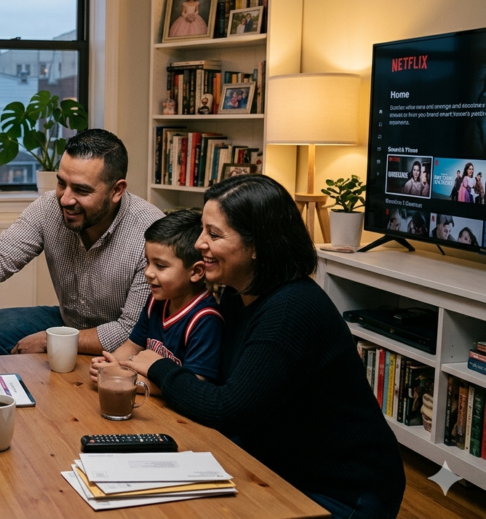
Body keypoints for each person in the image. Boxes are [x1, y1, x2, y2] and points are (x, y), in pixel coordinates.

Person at [121, 174, 405, 519]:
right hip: (274, 465)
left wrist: (157, 366)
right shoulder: (235, 296)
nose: (199, 244)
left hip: (343, 490)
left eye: (214, 234)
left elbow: (225, 409)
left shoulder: (290, 311)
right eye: (202, 231)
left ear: (257, 245)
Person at [0, 129, 165, 356]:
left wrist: (50, 341)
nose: (65, 199)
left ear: (117, 190)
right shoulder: (49, 206)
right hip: (68, 321)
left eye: (81, 190)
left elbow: (130, 331)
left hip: (124, 341)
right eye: (62, 183)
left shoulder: (150, 232)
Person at [89, 210, 223, 393]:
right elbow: (132, 345)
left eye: (160, 266)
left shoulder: (206, 319)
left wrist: (128, 382)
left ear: (196, 272)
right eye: (147, 262)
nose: (148, 273)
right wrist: (109, 365)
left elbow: (194, 385)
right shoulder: (156, 300)